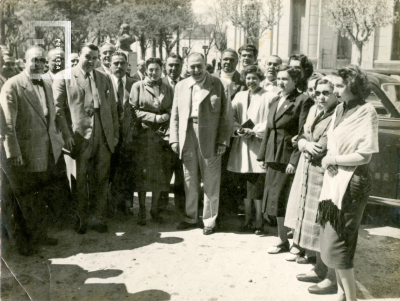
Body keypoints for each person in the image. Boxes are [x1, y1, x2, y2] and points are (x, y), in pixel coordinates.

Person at [316, 66, 379, 301]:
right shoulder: (341, 108)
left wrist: (333, 159)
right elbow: (332, 141)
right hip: (335, 179)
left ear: (353, 86)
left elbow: (365, 155)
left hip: (353, 183)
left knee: (340, 243)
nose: (335, 90)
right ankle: (341, 294)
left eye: (340, 86)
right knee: (332, 237)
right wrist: (330, 159)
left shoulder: (367, 111)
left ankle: (350, 298)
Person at [0, 46, 68, 255]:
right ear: (25, 60)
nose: (38, 64)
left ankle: (40, 234)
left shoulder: (47, 84)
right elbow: (8, 124)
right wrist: (14, 153)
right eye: (34, 60)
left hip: (47, 151)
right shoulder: (13, 85)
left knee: (41, 197)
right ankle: (23, 243)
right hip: (25, 154)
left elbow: (52, 115)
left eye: (41, 61)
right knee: (23, 200)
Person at [53, 43, 119, 234]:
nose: (91, 61)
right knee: (80, 179)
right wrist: (66, 135)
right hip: (78, 135)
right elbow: (58, 110)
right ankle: (81, 218)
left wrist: (114, 135)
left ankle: (98, 218)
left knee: (101, 177)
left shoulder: (104, 77)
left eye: (94, 58)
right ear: (79, 56)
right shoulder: (64, 77)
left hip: (103, 134)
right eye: (87, 57)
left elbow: (112, 108)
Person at [285, 77, 339, 295]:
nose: (321, 97)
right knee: (311, 221)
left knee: (322, 223)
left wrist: (304, 143)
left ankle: (328, 275)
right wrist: (303, 142)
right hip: (309, 172)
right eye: (317, 93)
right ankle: (318, 267)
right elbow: (301, 136)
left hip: (323, 174)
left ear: (336, 94)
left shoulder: (336, 115)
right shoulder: (317, 111)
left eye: (326, 93)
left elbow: (321, 147)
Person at [170, 52, 233, 235]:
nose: (196, 70)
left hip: (210, 137)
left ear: (206, 65)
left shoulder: (217, 84)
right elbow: (175, 115)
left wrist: (222, 140)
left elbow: (226, 116)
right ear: (186, 67)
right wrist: (174, 138)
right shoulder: (181, 86)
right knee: (190, 179)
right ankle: (191, 217)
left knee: (211, 180)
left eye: (199, 66)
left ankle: (209, 221)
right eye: (192, 66)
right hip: (187, 134)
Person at [257, 65, 313, 254]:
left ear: (295, 81)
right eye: (279, 79)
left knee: (287, 200)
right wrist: (263, 155)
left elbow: (302, 133)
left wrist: (294, 161)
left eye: (285, 79)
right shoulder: (275, 99)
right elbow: (269, 130)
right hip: (273, 156)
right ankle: (282, 240)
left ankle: (297, 243)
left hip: (288, 158)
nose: (280, 82)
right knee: (275, 200)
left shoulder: (303, 101)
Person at [227, 65, 275, 234]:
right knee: (246, 186)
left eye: (254, 78)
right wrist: (238, 129)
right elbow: (230, 116)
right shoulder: (239, 96)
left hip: (258, 145)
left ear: (260, 78)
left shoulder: (269, 96)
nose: (251, 81)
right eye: (248, 78)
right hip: (242, 146)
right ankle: (248, 219)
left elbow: (271, 120)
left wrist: (255, 130)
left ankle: (259, 222)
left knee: (257, 185)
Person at [130, 57, 174, 225]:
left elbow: (172, 108)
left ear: (161, 71)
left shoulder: (167, 88)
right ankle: (141, 210)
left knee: (159, 175)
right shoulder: (137, 86)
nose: (154, 73)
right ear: (146, 70)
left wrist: (167, 117)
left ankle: (154, 210)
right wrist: (155, 118)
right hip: (144, 137)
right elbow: (134, 110)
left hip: (162, 138)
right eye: (151, 70)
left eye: (157, 70)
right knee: (143, 174)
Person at [108, 52, 137, 216]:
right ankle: (110, 205)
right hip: (109, 135)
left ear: (127, 65)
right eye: (115, 63)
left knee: (127, 171)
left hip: (129, 136)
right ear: (110, 65)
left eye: (122, 63)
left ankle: (125, 205)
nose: (119, 67)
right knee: (109, 171)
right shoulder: (104, 83)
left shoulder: (135, 84)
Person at [160, 53, 185, 213]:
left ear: (182, 67)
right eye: (170, 65)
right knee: (163, 173)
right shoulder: (158, 83)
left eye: (177, 65)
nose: (173, 68)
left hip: (183, 136)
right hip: (162, 137)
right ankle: (160, 208)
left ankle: (181, 207)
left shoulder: (188, 83)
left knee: (182, 174)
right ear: (165, 66)